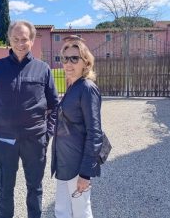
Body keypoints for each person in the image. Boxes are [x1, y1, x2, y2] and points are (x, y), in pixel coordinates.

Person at [0, 20, 59, 218]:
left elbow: (54, 106)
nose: (20, 43)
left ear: (32, 41)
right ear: (9, 39)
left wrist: (47, 133)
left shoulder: (43, 69)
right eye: (15, 39)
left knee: (35, 189)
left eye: (24, 39)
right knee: (5, 191)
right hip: (3, 141)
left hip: (35, 140)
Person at [51, 35, 103, 218]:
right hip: (64, 163)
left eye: (74, 58)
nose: (68, 63)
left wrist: (85, 173)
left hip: (78, 165)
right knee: (62, 210)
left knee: (81, 211)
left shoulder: (87, 88)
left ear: (86, 62)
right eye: (65, 59)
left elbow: (95, 133)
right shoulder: (72, 86)